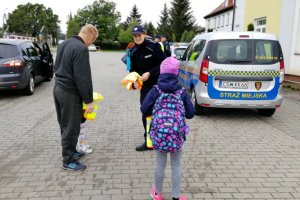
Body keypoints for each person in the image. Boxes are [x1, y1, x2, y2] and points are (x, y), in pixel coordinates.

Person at [141, 57, 195, 200]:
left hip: (159, 134)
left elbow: (144, 109)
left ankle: (157, 194)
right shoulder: (182, 92)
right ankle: (176, 197)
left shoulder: (156, 90)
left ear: (161, 72)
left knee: (160, 163)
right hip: (176, 135)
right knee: (176, 164)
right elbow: (190, 114)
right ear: (176, 73)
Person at [53, 24, 98, 171]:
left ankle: (71, 151)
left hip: (58, 89)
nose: (91, 43)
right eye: (92, 41)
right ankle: (68, 160)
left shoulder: (64, 44)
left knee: (65, 124)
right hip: (70, 93)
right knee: (71, 127)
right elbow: (83, 77)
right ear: (90, 36)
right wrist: (88, 100)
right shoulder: (81, 48)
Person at [130, 25, 166, 151]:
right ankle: (149, 140)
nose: (137, 37)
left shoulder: (154, 47)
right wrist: (133, 77)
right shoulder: (133, 51)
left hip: (158, 85)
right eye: (135, 36)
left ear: (144, 34)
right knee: (146, 112)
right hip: (145, 87)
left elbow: (164, 64)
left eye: (139, 35)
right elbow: (133, 69)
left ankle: (163, 138)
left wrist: (150, 73)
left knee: (160, 112)